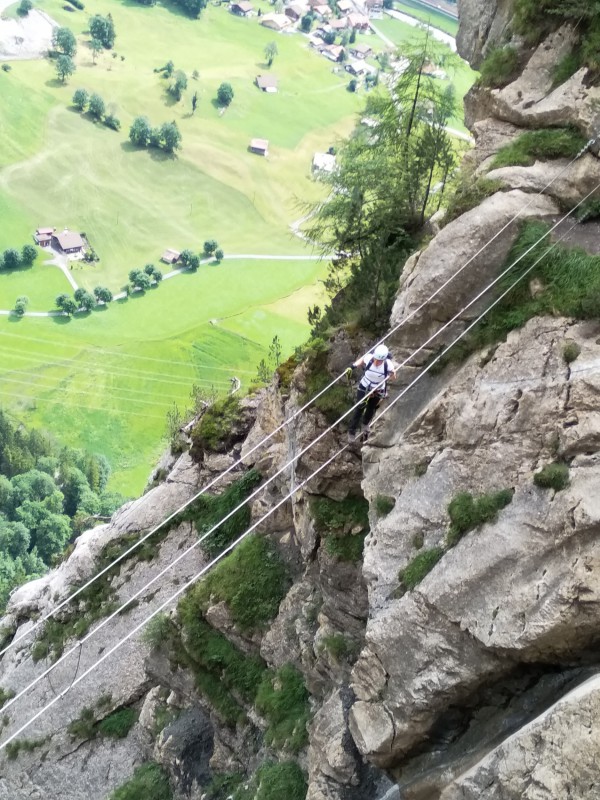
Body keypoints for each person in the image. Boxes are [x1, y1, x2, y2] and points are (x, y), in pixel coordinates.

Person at [347, 344, 396, 441]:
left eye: (379, 361)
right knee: (359, 408)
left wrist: (392, 374)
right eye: (375, 359)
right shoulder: (370, 358)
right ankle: (351, 432)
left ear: (383, 359)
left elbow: (394, 377)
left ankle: (365, 424)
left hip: (377, 388)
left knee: (371, 407)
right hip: (364, 386)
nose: (376, 362)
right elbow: (362, 360)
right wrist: (353, 366)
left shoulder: (388, 364)